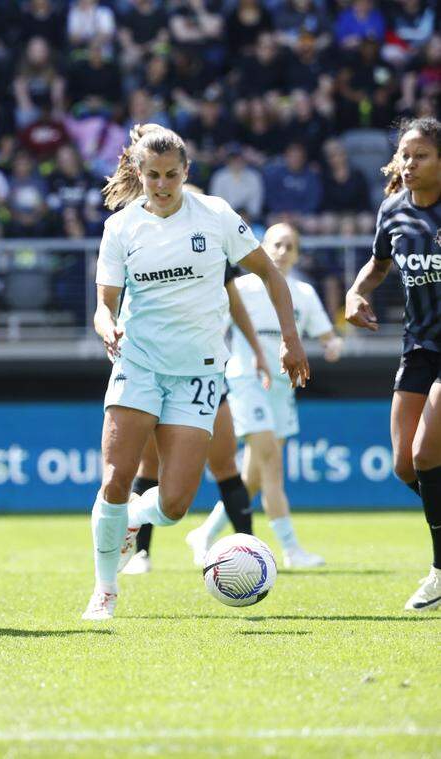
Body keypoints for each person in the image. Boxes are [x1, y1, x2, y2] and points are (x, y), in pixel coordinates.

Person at [83, 124, 309, 621]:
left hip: (200, 372)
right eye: (152, 176)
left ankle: (131, 521)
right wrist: (107, 329)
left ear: (186, 173)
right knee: (117, 479)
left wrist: (290, 339)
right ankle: (105, 590)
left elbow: (270, 274)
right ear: (138, 174)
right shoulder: (120, 229)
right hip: (138, 363)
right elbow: (104, 306)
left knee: (174, 506)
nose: (162, 186)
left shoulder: (216, 217)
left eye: (171, 175)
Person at [188, 223, 342, 569]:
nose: (283, 251)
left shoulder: (302, 292)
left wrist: (332, 344)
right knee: (271, 462)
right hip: (246, 382)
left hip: (282, 389)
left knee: (254, 476)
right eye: (277, 244)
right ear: (262, 247)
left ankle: (205, 533)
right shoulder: (238, 287)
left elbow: (326, 334)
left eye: (290, 246)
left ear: (298, 253)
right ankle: (291, 549)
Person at [345, 116, 441, 612]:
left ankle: (439, 571)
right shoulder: (393, 211)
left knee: (427, 453)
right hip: (419, 347)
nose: (408, 164)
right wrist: (355, 291)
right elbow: (379, 264)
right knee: (405, 464)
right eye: (404, 155)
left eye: (420, 155)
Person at [122, 257, 272, 575]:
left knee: (225, 465)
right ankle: (140, 553)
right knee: (149, 466)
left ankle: (251, 549)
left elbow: (235, 303)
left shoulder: (214, 238)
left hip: (206, 373)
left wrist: (258, 350)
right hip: (157, 373)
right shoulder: (144, 241)